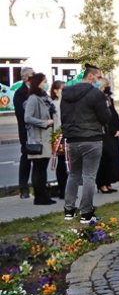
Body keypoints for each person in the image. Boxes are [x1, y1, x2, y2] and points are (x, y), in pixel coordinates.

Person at [60, 63, 111, 224]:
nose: (99, 80)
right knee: (89, 176)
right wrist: (107, 108)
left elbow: (63, 116)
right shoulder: (96, 94)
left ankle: (69, 210)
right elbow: (105, 117)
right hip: (91, 139)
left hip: (72, 139)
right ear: (90, 76)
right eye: (98, 77)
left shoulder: (66, 92)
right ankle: (86, 213)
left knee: (73, 174)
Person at [23, 72, 57, 206]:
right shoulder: (33, 98)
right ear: (38, 83)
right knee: (38, 169)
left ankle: (43, 196)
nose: (46, 84)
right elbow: (27, 118)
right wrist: (44, 123)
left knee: (42, 169)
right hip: (38, 139)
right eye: (44, 81)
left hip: (45, 138)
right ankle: (39, 197)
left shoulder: (44, 97)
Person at [13, 66, 35, 199]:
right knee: (26, 157)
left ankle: (39, 187)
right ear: (25, 77)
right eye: (33, 75)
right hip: (27, 131)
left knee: (39, 159)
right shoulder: (20, 93)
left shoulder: (36, 90)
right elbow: (21, 113)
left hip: (38, 130)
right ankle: (23, 188)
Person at [96, 79, 119, 194]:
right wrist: (112, 129)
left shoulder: (109, 98)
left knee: (112, 158)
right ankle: (102, 183)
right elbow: (103, 117)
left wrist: (118, 128)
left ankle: (109, 182)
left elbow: (114, 115)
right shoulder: (98, 99)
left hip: (113, 133)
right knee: (104, 159)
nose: (108, 87)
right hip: (104, 133)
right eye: (106, 85)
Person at [50, 80, 68, 199]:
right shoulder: (55, 104)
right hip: (59, 135)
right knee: (62, 162)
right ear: (56, 91)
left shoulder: (65, 102)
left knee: (68, 163)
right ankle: (62, 190)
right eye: (62, 89)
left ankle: (67, 189)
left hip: (67, 134)